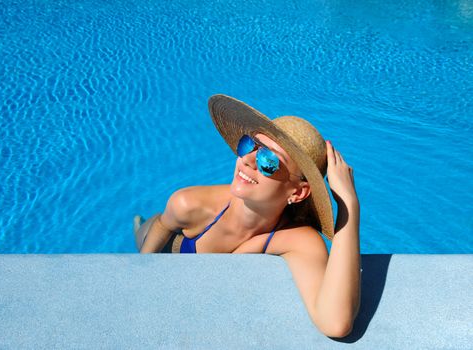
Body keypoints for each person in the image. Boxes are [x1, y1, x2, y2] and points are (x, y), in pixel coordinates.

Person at [134, 94, 360, 338]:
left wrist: (348, 207)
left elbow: (335, 323)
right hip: (170, 242)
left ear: (298, 192)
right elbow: (162, 227)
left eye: (269, 161)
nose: (248, 160)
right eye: (249, 145)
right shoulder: (188, 204)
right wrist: (141, 275)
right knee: (144, 228)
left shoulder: (298, 239)